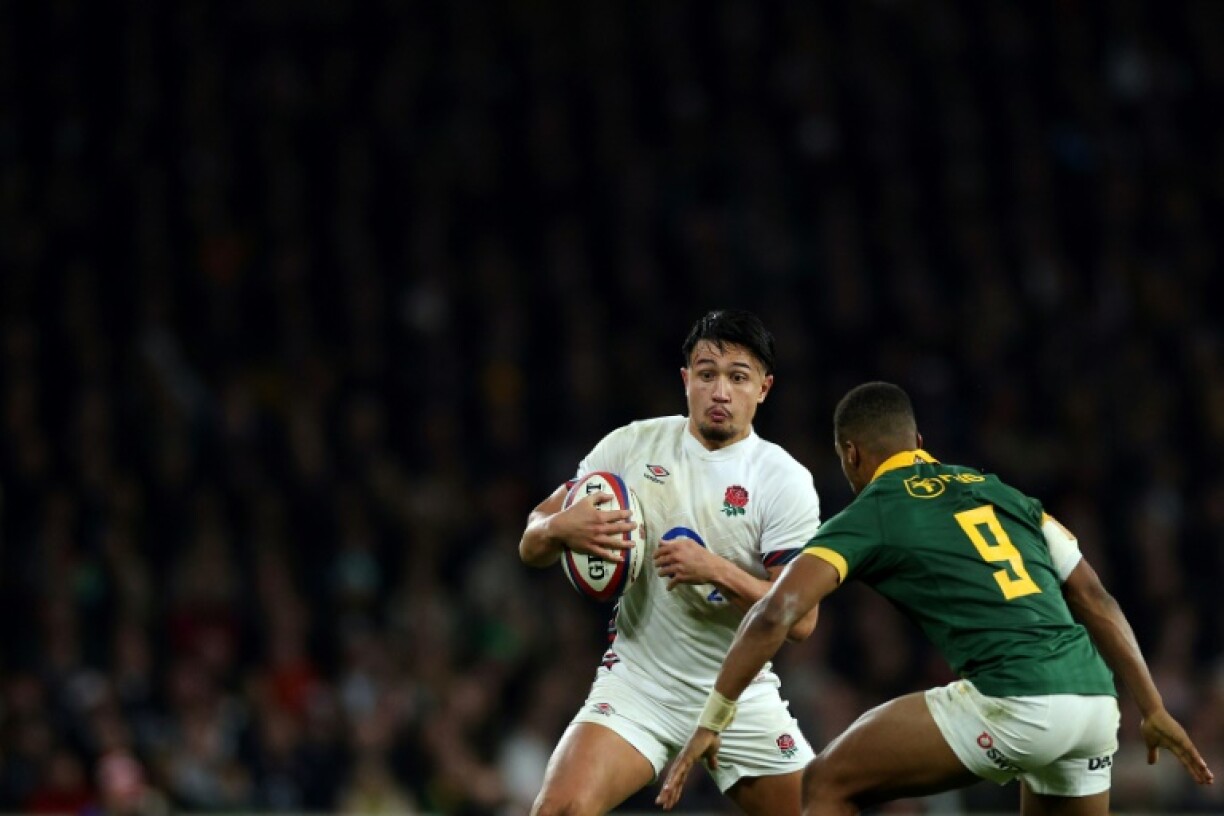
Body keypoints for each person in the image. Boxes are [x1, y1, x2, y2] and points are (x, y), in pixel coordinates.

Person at [658, 381, 1215, 815]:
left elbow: (778, 609)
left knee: (826, 781)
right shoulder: (1000, 491)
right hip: (1094, 703)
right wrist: (1153, 707)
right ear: (919, 444)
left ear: (851, 456)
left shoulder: (875, 507)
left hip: (1013, 700)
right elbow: (1094, 596)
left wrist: (715, 716)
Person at [518, 309, 824, 816]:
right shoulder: (631, 446)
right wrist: (557, 528)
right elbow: (531, 541)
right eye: (707, 374)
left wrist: (716, 569)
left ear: (764, 388)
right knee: (557, 811)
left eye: (737, 377)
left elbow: (803, 619)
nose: (720, 391)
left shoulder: (782, 480)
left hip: (737, 694)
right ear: (686, 380)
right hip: (641, 683)